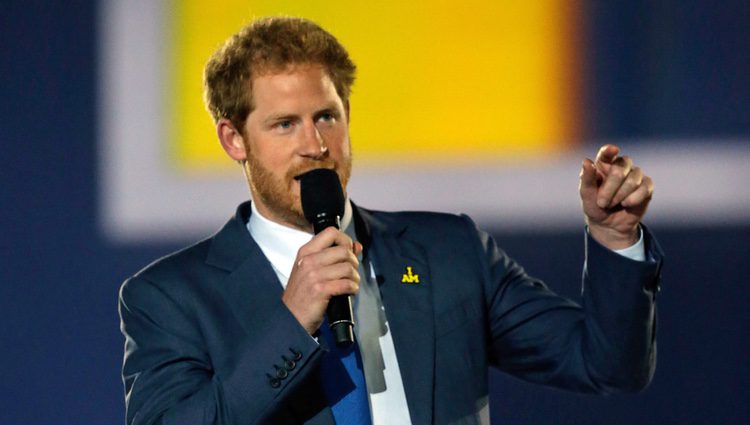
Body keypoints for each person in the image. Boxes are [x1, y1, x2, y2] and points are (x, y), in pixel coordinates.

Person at [119, 17, 663, 425]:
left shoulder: (449, 251)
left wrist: (615, 239)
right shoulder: (171, 298)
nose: (315, 145)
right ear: (234, 139)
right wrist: (291, 322)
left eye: (326, 117)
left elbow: (608, 365)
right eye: (284, 125)